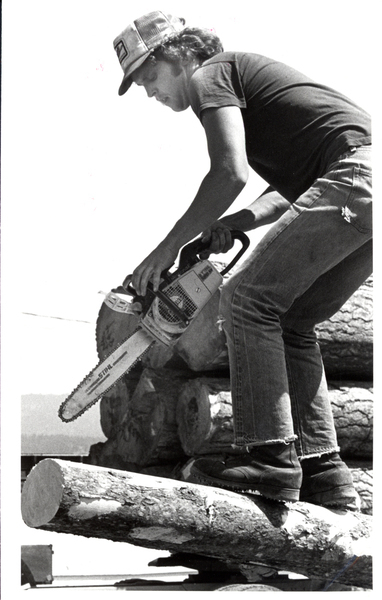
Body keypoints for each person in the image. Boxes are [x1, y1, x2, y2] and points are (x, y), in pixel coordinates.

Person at [113, 11, 372, 507]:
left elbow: (228, 172)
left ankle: (269, 456)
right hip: (363, 188)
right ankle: (324, 469)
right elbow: (287, 191)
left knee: (246, 299)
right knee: (293, 321)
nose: (149, 91)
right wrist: (236, 224)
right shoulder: (243, 85)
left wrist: (163, 251)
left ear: (181, 54)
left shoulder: (213, 74)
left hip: (355, 177)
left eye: (149, 75)